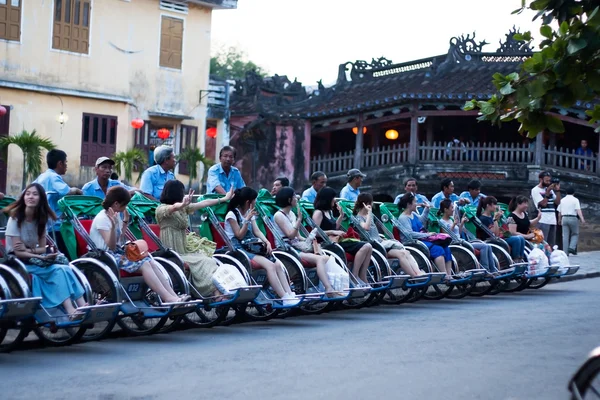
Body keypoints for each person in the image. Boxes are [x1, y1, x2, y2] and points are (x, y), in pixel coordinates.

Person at [90, 186, 188, 303]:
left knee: (151, 261)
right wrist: (113, 225)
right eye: (124, 205)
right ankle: (168, 298)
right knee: (145, 265)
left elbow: (120, 241)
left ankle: (173, 296)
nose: (125, 208)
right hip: (104, 256)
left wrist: (125, 222)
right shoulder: (103, 218)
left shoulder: (115, 216)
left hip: (116, 253)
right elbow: (111, 246)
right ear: (116, 204)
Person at [4, 183, 87, 319]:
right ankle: (70, 310)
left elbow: (43, 248)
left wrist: (31, 250)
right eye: (28, 194)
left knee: (66, 268)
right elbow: (18, 252)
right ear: (23, 197)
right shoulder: (15, 218)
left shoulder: (40, 219)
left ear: (41, 199)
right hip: (18, 263)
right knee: (59, 270)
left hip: (34, 260)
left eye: (35, 194)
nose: (31, 197)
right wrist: (40, 256)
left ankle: (83, 306)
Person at [156, 180, 237, 296]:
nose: (183, 194)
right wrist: (182, 204)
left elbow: (204, 203)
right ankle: (214, 292)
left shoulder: (183, 208)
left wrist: (223, 199)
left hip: (184, 249)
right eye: (181, 192)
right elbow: (173, 207)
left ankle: (217, 291)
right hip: (173, 252)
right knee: (204, 261)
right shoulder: (161, 209)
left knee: (210, 260)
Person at [225, 187, 296, 304]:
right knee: (270, 266)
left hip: (250, 245)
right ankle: (283, 297)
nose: (255, 202)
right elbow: (239, 235)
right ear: (248, 202)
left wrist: (266, 242)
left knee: (277, 263)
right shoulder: (232, 215)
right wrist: (246, 220)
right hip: (239, 249)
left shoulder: (249, 213)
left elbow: (257, 231)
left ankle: (289, 294)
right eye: (254, 200)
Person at [273, 187, 343, 296]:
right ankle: (328, 288)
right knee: (319, 259)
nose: (296, 199)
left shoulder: (291, 214)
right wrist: (299, 220)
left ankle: (335, 286)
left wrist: (309, 239)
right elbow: (290, 235)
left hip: (296, 245)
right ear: (288, 200)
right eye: (294, 197)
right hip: (287, 248)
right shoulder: (278, 215)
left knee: (326, 257)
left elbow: (298, 236)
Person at [312, 187, 373, 287]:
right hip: (325, 244)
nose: (335, 200)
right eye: (333, 197)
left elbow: (334, 226)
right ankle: (354, 275)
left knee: (369, 247)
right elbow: (315, 232)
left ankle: (362, 275)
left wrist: (340, 216)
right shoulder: (318, 213)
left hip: (336, 241)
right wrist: (333, 231)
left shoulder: (329, 212)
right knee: (365, 246)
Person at [354, 193, 424, 277]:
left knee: (406, 252)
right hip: (374, 246)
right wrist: (369, 213)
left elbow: (377, 230)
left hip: (380, 243)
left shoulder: (370, 216)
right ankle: (414, 276)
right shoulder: (358, 217)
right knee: (401, 254)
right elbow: (366, 227)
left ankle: (418, 273)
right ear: (367, 203)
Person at [33, 149, 82, 256]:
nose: (66, 165)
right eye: (66, 163)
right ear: (60, 163)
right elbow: (66, 191)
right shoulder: (54, 177)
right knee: (70, 251)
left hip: (44, 224)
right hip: (56, 226)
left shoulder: (42, 177)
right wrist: (77, 190)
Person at [397, 193, 453, 279]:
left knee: (446, 247)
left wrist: (427, 209)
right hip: (412, 243)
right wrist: (427, 234)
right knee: (438, 249)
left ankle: (449, 274)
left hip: (422, 240)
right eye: (415, 202)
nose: (417, 204)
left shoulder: (413, 214)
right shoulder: (403, 218)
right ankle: (444, 275)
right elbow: (409, 234)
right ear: (409, 204)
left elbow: (422, 221)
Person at [437, 199, 497, 273]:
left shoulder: (451, 219)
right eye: (451, 208)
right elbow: (446, 236)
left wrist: (461, 223)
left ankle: (493, 269)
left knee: (488, 246)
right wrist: (454, 224)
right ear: (446, 209)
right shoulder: (441, 222)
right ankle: (486, 269)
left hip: (460, 241)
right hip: (454, 243)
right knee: (484, 246)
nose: (453, 210)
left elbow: (458, 232)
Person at [477, 196, 526, 263]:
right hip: (491, 239)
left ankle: (521, 258)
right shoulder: (483, 219)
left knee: (521, 238)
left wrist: (502, 219)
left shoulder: (490, 216)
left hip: (498, 237)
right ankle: (515, 260)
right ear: (488, 205)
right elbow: (495, 233)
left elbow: (499, 229)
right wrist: (495, 219)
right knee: (516, 239)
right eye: (494, 204)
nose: (496, 206)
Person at [531, 171, 561, 247]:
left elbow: (558, 202)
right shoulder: (535, 190)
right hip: (543, 220)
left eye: (549, 181)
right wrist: (547, 192)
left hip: (552, 220)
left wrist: (557, 191)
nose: (548, 182)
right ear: (541, 180)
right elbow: (543, 204)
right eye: (546, 180)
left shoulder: (550, 190)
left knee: (551, 245)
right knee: (542, 243)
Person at [557, 186, 585, 255]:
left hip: (564, 218)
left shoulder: (562, 200)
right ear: (574, 193)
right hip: (573, 218)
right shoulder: (575, 200)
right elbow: (578, 210)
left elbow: (559, 212)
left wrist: (559, 220)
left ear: (566, 192)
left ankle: (565, 252)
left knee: (565, 236)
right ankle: (572, 247)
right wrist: (582, 219)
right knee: (575, 233)